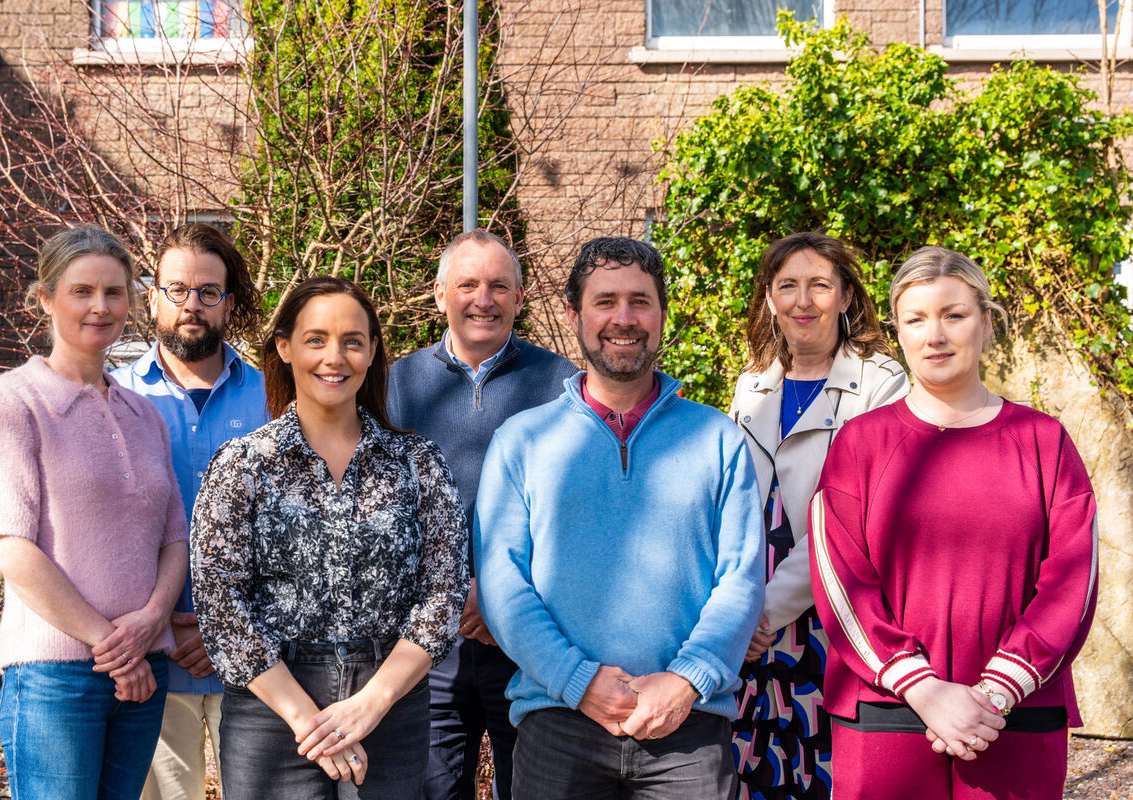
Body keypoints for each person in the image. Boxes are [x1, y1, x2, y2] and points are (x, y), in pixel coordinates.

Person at [475, 236, 766, 799]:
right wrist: (577, 681)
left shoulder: (718, 440)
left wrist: (686, 680)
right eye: (605, 301)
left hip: (689, 727)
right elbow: (501, 582)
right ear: (574, 315)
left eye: (640, 301)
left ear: (661, 314)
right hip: (558, 719)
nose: (623, 318)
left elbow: (741, 578)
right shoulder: (523, 441)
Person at [809, 246, 1097, 799]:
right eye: (916, 319)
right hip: (888, 710)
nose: (934, 335)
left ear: (985, 322)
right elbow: (841, 580)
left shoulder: (1043, 442)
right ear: (899, 332)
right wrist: (921, 688)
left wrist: (997, 690)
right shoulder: (861, 444)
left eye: (954, 315)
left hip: (1014, 715)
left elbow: (1073, 580)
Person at [191, 276, 469, 799]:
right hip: (272, 713)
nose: (334, 357)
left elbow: (444, 594)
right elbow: (220, 601)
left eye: (352, 341)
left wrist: (371, 704)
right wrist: (310, 723)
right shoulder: (243, 465)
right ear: (285, 347)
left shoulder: (418, 464)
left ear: (371, 353)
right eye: (316, 339)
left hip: (391, 704)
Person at [0, 224, 189, 799]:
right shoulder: (13, 401)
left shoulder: (145, 415)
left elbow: (173, 539)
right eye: (82, 290)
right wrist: (110, 646)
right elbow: (10, 546)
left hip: (144, 668)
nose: (100, 306)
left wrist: (150, 621)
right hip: (55, 676)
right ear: (46, 297)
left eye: (115, 292)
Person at [386, 228, 577, 800]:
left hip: (530, 641)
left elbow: (570, 514)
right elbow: (380, 511)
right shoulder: (394, 384)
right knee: (432, 790)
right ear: (440, 294)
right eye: (468, 284)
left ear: (520, 299)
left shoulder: (562, 385)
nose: (483, 299)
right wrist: (449, 595)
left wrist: (501, 599)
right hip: (427, 644)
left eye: (499, 286)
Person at [728, 231, 909, 799]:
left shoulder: (882, 385)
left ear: (847, 297)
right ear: (769, 299)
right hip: (749, 619)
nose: (803, 302)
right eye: (787, 286)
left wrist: (768, 610)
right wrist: (738, 607)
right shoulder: (751, 385)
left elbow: (851, 521)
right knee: (749, 767)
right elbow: (733, 505)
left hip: (831, 615)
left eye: (819, 286)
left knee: (822, 769)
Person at [110, 223, 268, 800]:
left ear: (230, 303)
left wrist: (226, 628)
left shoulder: (275, 397)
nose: (191, 306)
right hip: (151, 662)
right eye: (177, 290)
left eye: (208, 292)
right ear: (151, 297)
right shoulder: (112, 398)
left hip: (259, 662)